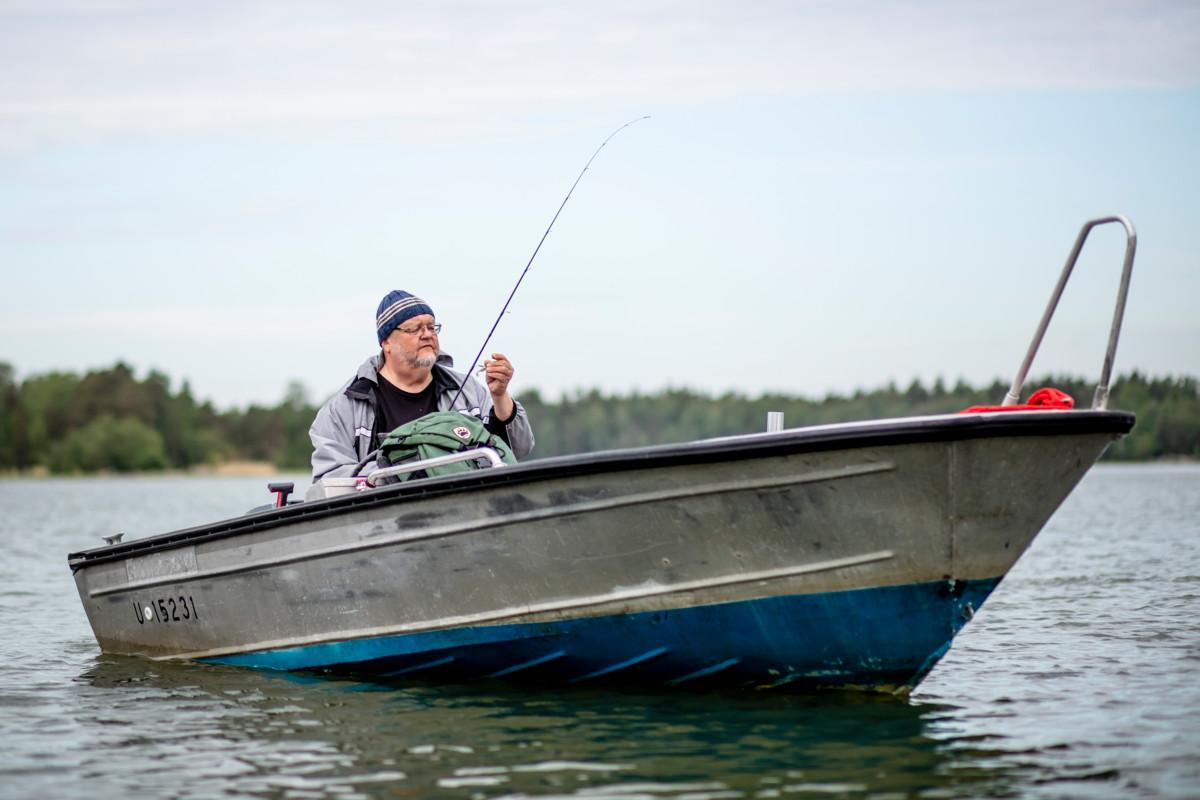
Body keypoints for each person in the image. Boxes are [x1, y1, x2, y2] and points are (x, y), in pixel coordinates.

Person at [309, 289, 534, 481]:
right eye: (414, 329)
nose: (427, 335)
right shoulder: (346, 407)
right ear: (386, 342)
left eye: (431, 327)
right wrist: (404, 469)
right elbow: (329, 477)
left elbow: (518, 450)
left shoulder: (468, 391)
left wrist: (500, 397)